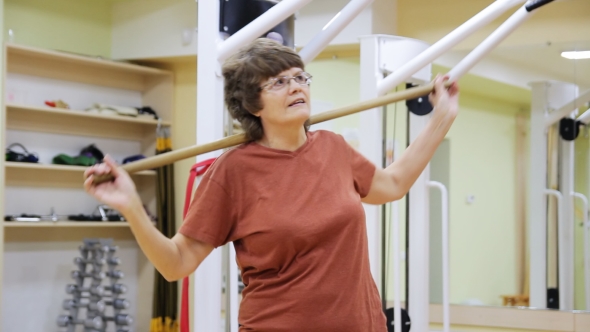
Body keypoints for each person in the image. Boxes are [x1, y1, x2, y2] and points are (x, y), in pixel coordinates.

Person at [84, 38, 459, 332]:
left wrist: (441, 119)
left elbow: (392, 185)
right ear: (252, 105)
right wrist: (131, 206)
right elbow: (177, 263)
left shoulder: (334, 148)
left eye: (300, 77)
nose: (296, 87)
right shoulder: (234, 172)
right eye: (279, 82)